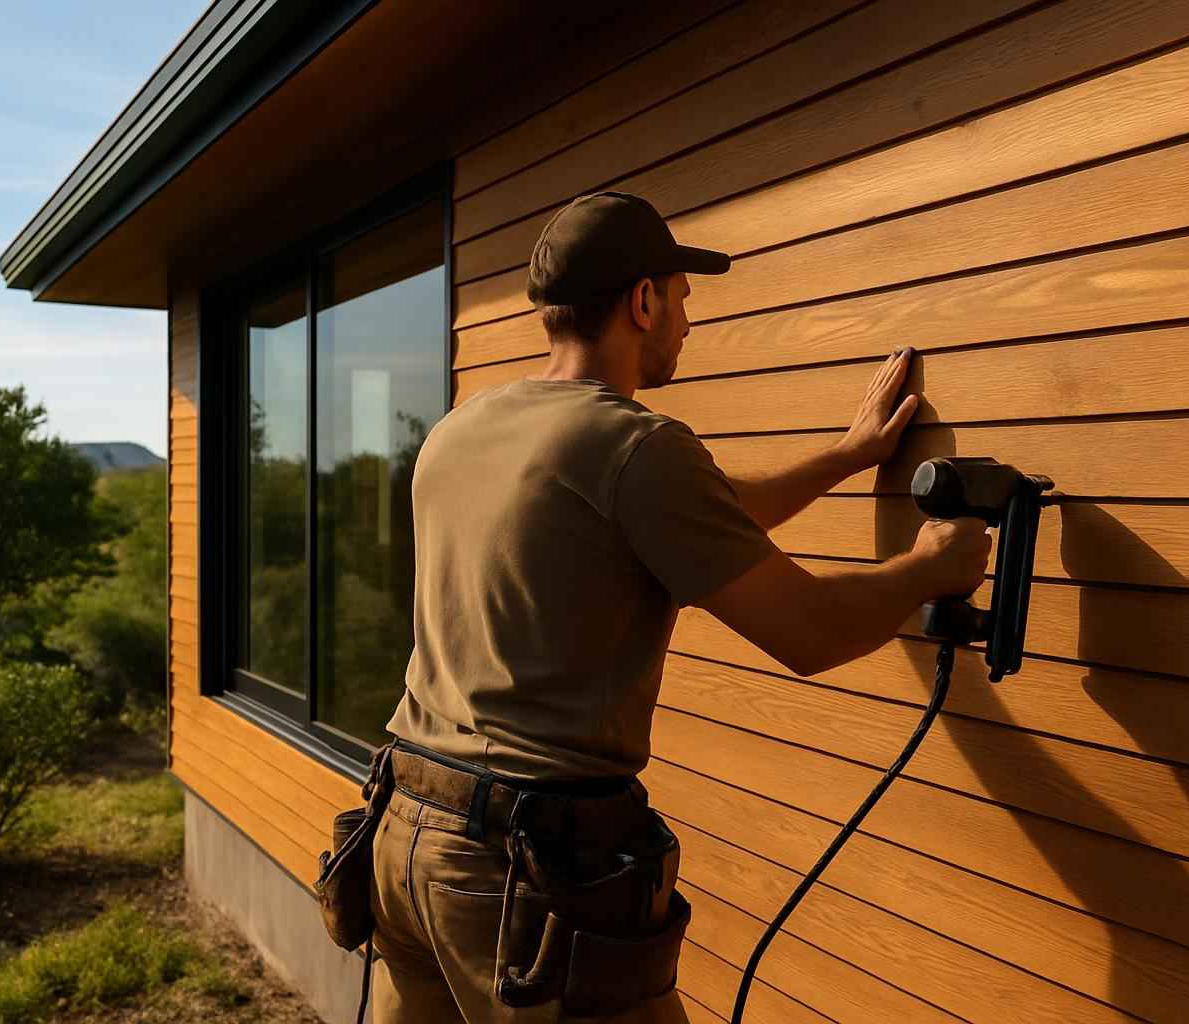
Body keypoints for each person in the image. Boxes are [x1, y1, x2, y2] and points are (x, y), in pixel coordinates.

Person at [368, 191, 991, 1022]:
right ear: (643, 301)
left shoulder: (465, 428)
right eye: (685, 299)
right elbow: (807, 632)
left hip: (403, 837)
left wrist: (849, 455)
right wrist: (928, 567)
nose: (689, 323)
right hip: (518, 874)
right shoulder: (637, 445)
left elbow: (707, 516)